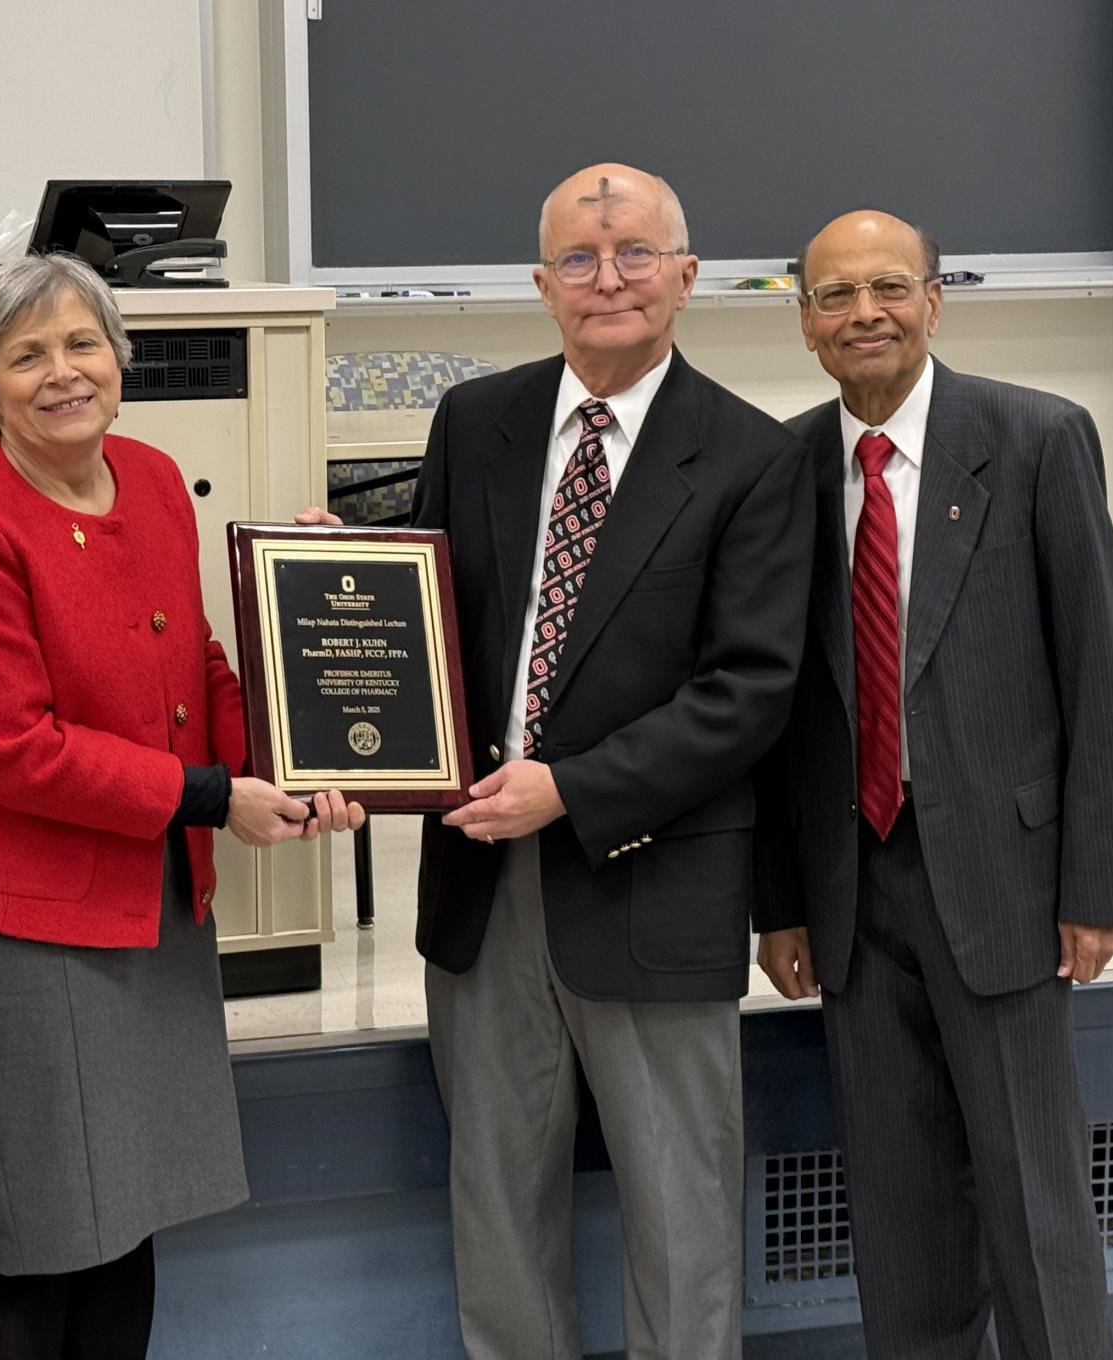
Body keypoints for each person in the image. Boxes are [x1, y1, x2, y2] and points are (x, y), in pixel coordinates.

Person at [303, 163, 812, 1359]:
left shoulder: (751, 455)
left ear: (687, 277)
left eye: (636, 253)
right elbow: (438, 613)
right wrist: (341, 578)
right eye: (578, 259)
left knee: (682, 1220)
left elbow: (751, 689)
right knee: (496, 1204)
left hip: (648, 876)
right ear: (541, 285)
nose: (608, 279)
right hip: (482, 876)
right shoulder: (474, 419)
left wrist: (572, 787)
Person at [0, 252, 363, 1360]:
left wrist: (287, 763)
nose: (62, 373)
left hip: (143, 901)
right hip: (18, 918)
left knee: (125, 1213)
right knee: (44, 1236)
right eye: (26, 355)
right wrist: (215, 799)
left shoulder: (151, 478)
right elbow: (14, 751)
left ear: (120, 357)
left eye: (82, 343)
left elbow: (194, 665)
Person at [755, 209, 1113, 1360]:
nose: (864, 311)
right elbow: (774, 708)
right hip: (853, 895)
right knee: (900, 1224)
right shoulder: (788, 469)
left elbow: (1100, 675)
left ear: (933, 300)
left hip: (1008, 885)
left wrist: (1096, 882)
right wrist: (780, 900)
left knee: (1036, 1215)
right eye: (834, 295)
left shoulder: (1037, 438)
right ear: (805, 323)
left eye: (888, 287)